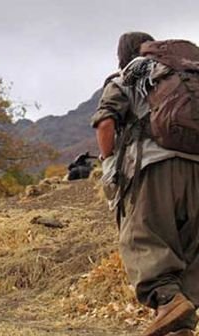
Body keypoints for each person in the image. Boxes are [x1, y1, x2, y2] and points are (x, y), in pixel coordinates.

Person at [92, 32, 199, 336]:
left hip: (155, 170)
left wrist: (109, 162)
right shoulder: (182, 75)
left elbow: (106, 122)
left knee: (142, 238)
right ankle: (180, 322)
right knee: (189, 250)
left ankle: (168, 302)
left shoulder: (130, 76)